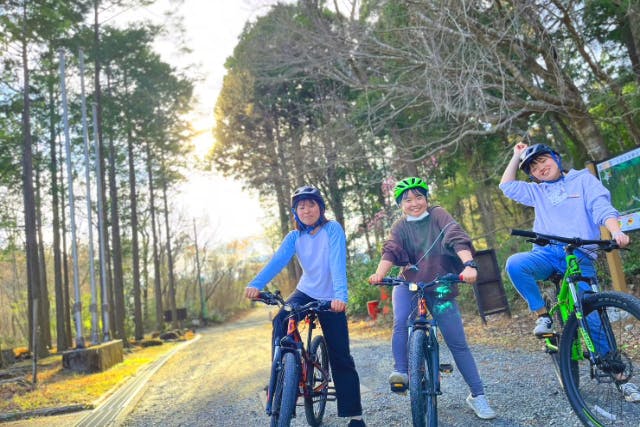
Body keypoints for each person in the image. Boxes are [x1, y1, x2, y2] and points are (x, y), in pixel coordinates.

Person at [500, 142, 639, 402]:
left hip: (580, 254)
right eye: (533, 167)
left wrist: (616, 230)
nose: (541, 168)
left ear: (556, 158)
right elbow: (506, 186)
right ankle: (543, 316)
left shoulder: (582, 180)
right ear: (531, 175)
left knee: (593, 317)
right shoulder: (537, 192)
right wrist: (516, 155)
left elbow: (602, 207)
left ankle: (620, 378)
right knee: (516, 264)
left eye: (544, 160)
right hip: (547, 253)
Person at [368, 177, 497, 420]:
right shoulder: (400, 226)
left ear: (427, 198)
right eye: (407, 200)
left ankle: (477, 396)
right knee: (401, 322)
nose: (414, 203)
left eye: (419, 197)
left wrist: (468, 264)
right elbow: (390, 250)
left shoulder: (438, 215)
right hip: (409, 283)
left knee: (457, 342)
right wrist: (379, 274)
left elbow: (455, 235)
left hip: (440, 286)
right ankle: (402, 372)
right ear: (400, 204)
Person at [245, 185, 366, 427]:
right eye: (301, 206)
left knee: (340, 354)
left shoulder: (332, 229)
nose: (307, 209)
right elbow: (277, 261)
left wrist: (340, 295)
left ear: (320, 208)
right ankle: (281, 376)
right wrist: (256, 284)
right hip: (305, 290)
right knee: (280, 320)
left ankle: (355, 415)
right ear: (295, 211)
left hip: (331, 296)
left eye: (311, 204)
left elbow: (336, 263)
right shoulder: (294, 237)